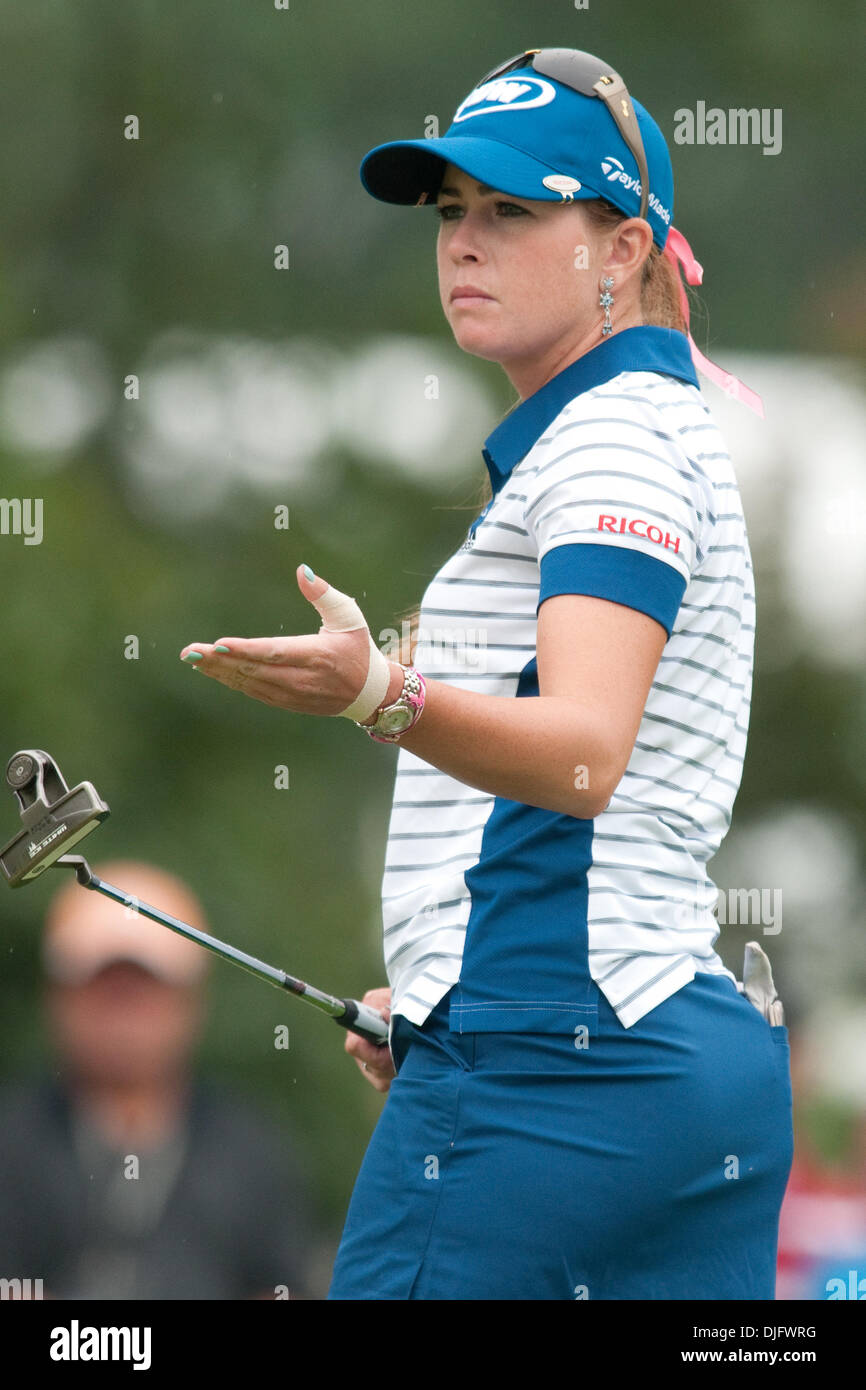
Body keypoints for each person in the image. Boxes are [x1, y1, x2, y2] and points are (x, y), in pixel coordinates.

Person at [178, 47, 794, 1300]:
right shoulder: (641, 424)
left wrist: (374, 694)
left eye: (513, 211)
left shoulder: (611, 438)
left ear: (620, 249)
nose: (464, 242)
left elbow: (581, 751)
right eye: (452, 212)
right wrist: (441, 988)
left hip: (555, 1062)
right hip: (660, 1052)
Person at [0, 860, 320, 1299]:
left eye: (143, 991)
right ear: (57, 999)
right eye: (103, 989)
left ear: (191, 1002)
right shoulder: (12, 1145)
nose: (123, 1018)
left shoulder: (251, 1152)